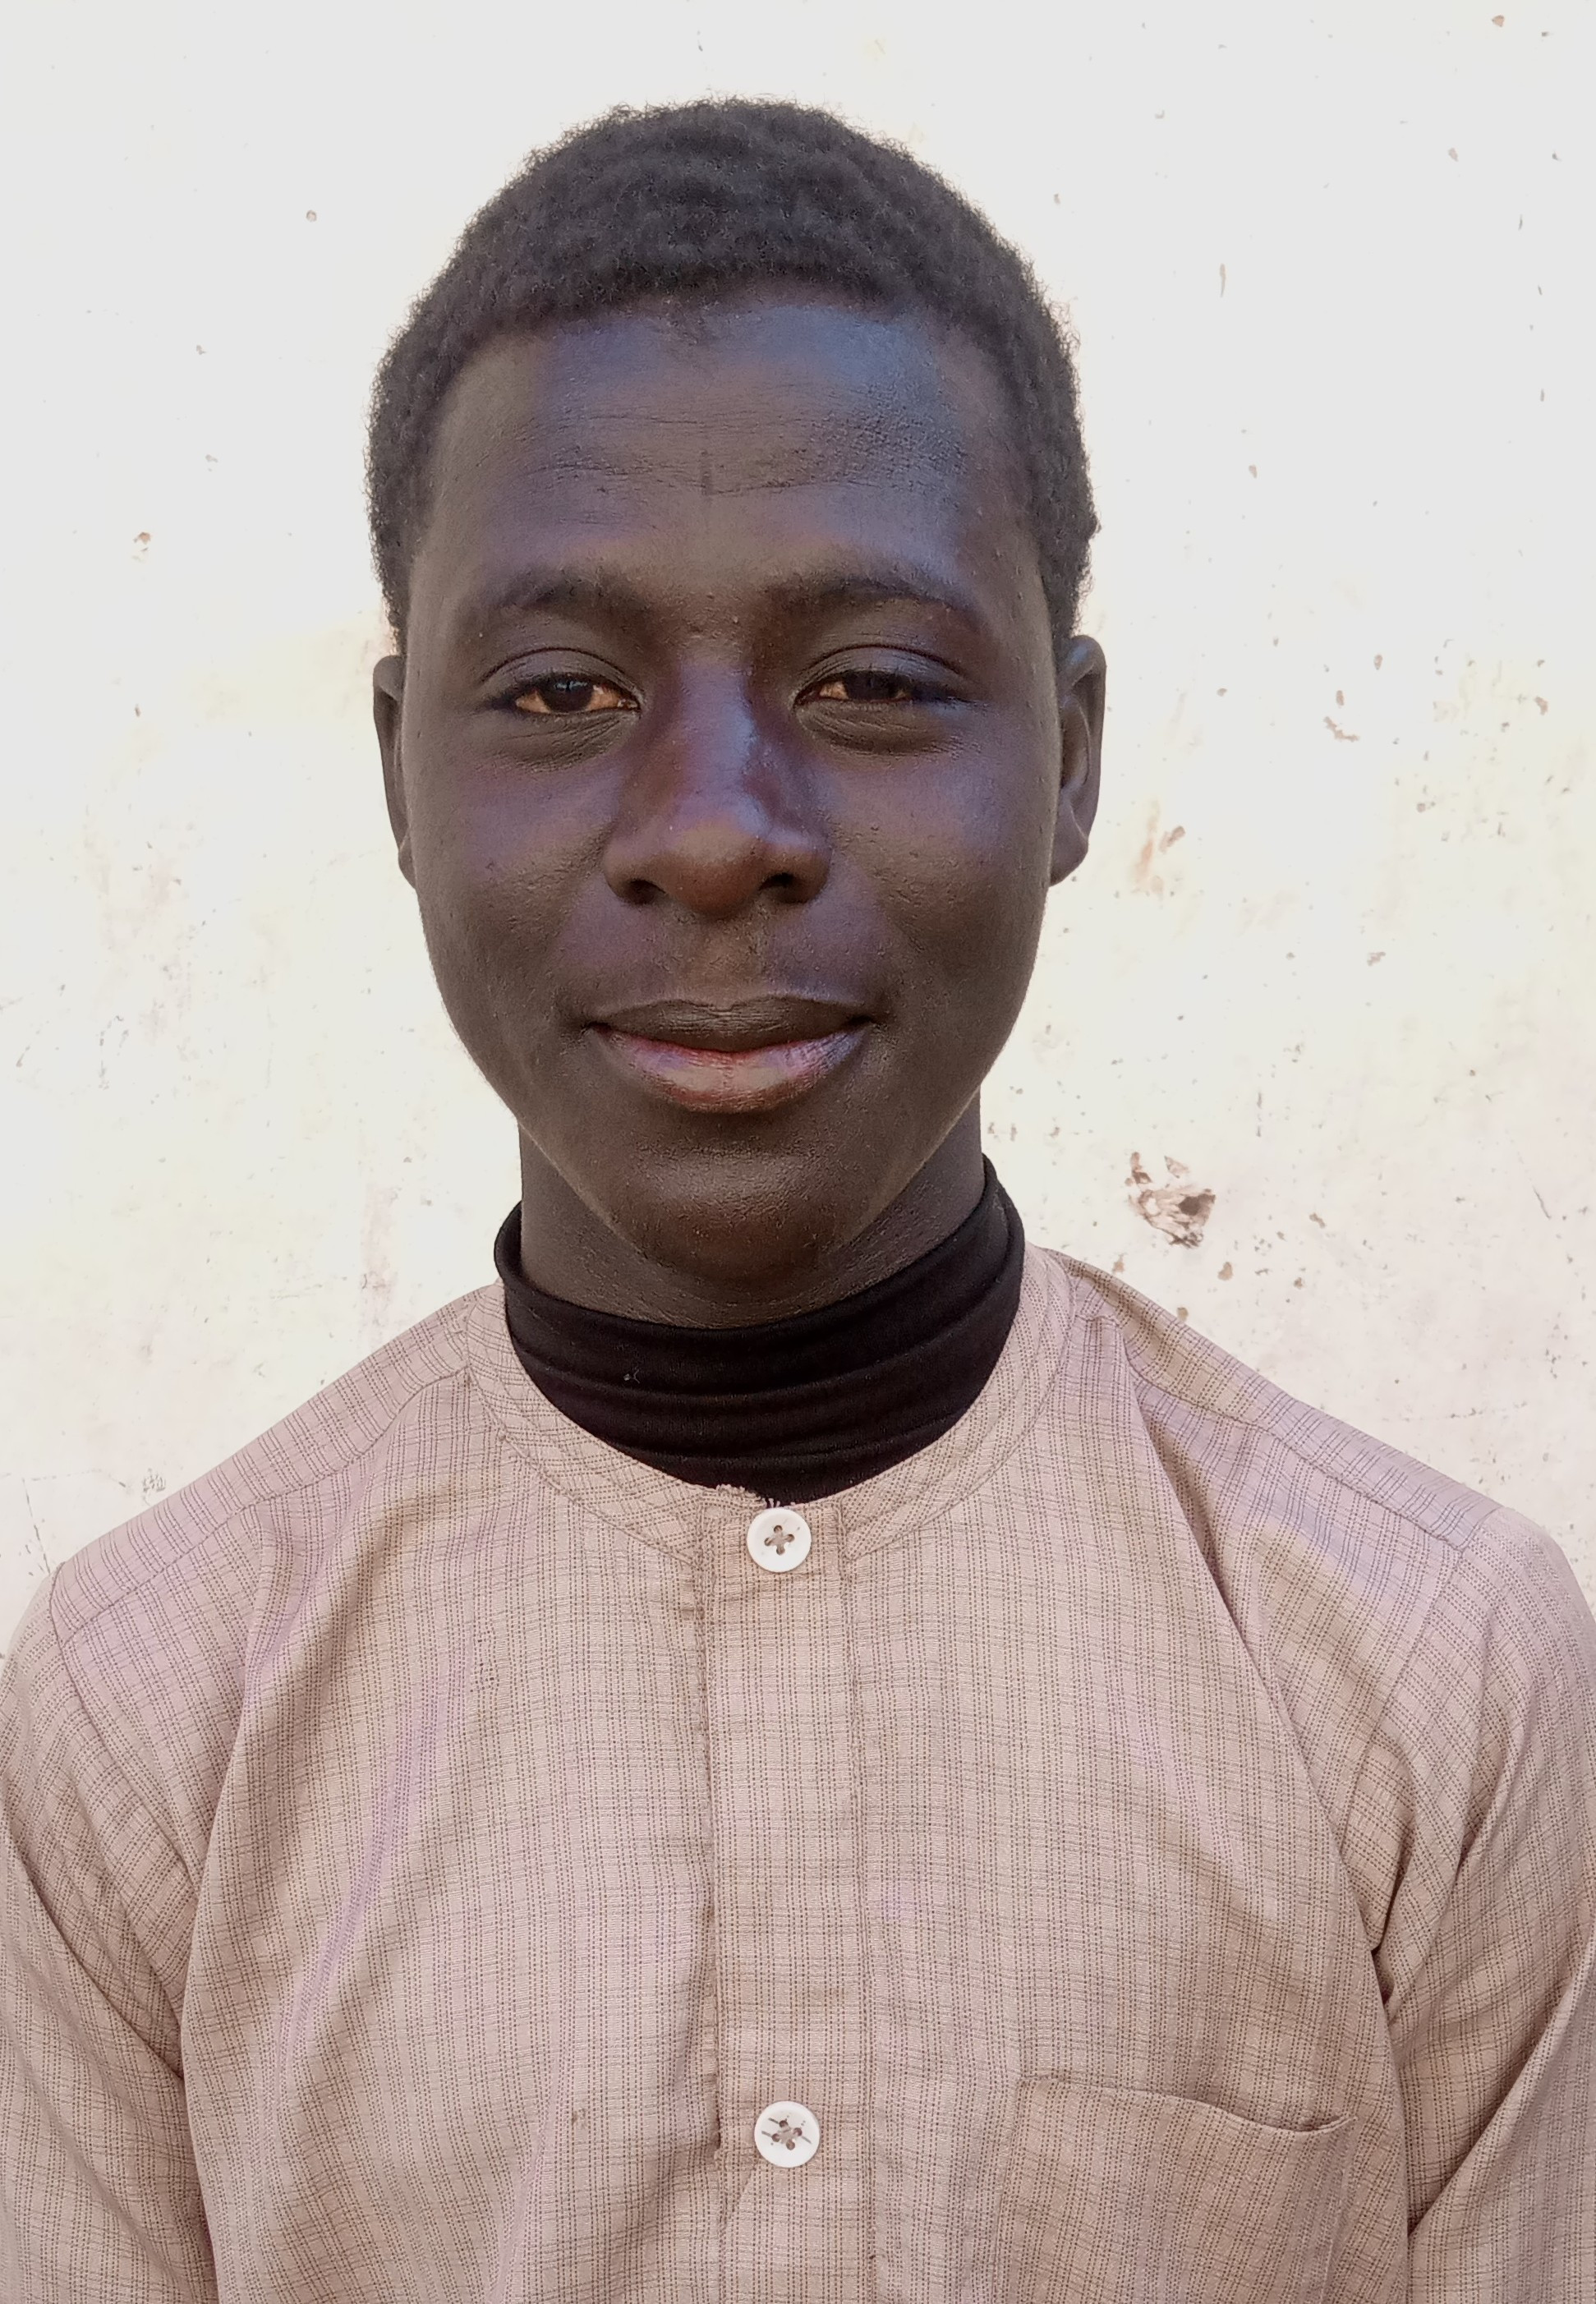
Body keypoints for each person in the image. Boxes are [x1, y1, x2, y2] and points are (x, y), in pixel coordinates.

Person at [2, 98, 1592, 2304]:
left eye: (871, 684)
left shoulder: (1430, 1675)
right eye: (562, 691)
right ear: (399, 775)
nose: (716, 829)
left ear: (1072, 759)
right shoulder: (145, 1717)